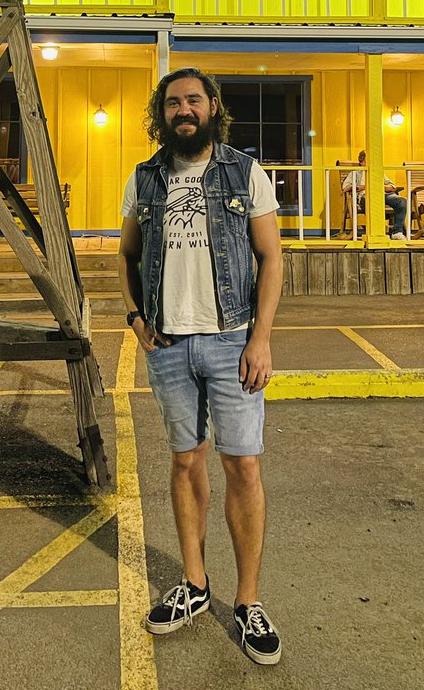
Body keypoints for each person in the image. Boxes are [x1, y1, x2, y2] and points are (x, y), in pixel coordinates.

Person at [118, 68, 284, 666]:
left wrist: (260, 338)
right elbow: (127, 257)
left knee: (243, 465)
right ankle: (194, 583)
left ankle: (248, 601)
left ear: (213, 106)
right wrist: (136, 319)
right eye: (172, 103)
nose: (183, 110)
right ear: (161, 113)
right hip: (168, 345)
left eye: (193, 100)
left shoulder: (244, 172)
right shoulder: (144, 178)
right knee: (186, 461)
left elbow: (271, 258)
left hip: (231, 341)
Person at [341, 149, 408, 239]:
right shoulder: (355, 173)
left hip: (383, 194)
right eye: (370, 159)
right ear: (362, 162)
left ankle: (397, 232)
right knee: (370, 201)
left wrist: (382, 187)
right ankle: (376, 231)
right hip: (366, 196)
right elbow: (345, 187)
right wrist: (365, 187)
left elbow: (392, 186)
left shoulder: (379, 173)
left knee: (402, 201)